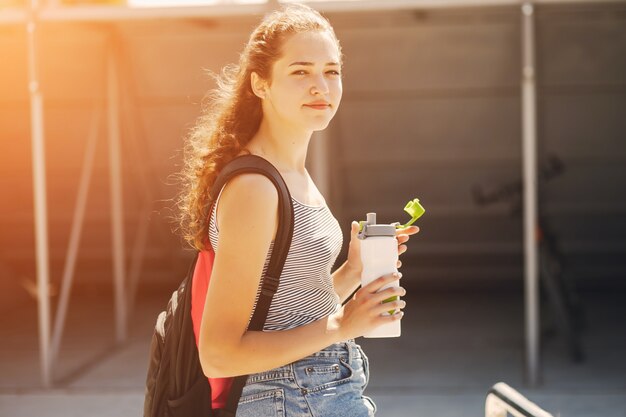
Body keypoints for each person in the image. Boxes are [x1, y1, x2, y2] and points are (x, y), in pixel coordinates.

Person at [177, 4, 419, 416]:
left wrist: (352, 273)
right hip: (288, 399)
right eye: (301, 71)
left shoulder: (291, 173)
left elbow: (285, 312)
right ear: (260, 84)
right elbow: (218, 354)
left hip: (315, 392)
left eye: (331, 71)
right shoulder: (255, 187)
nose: (321, 86)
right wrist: (344, 324)